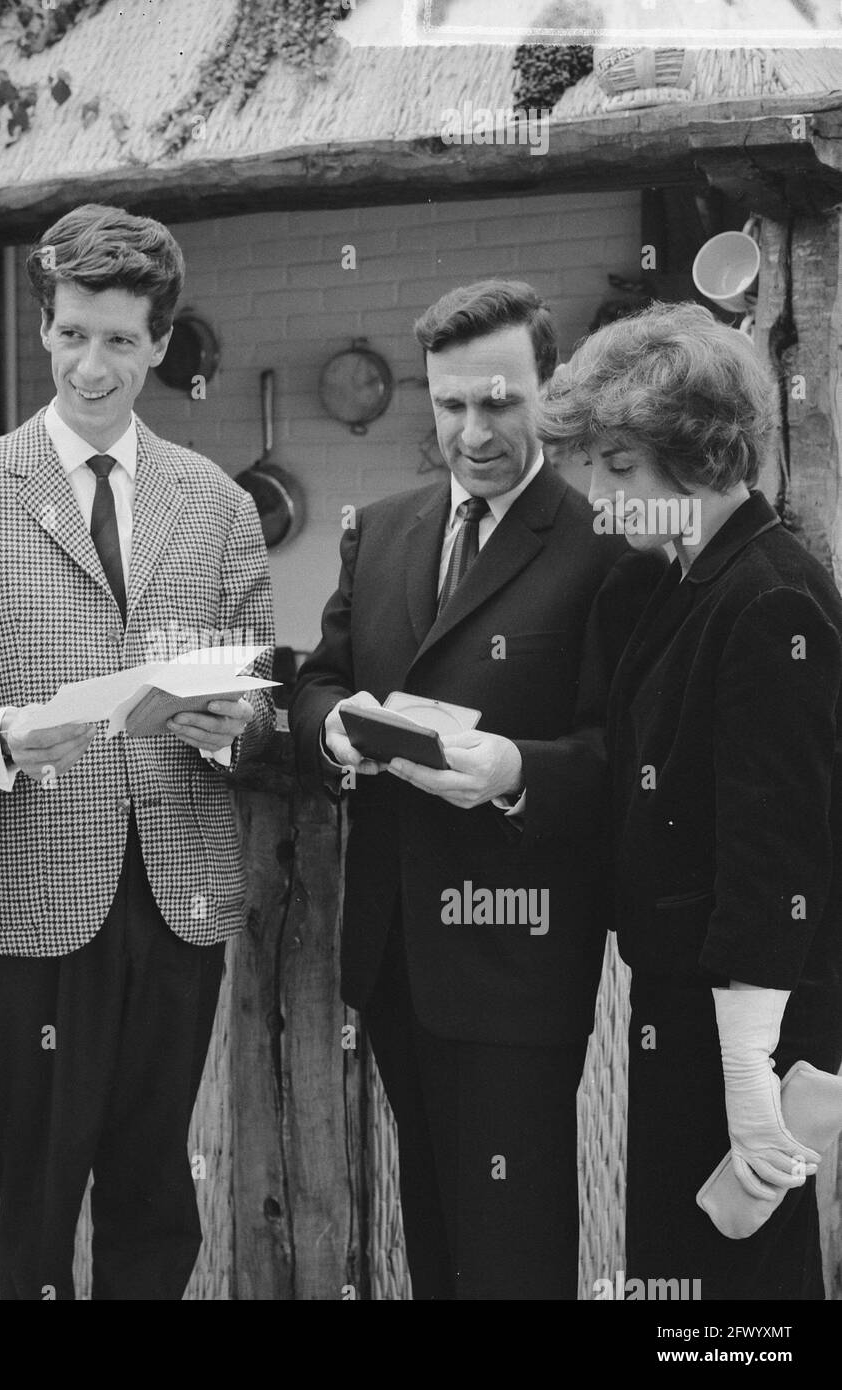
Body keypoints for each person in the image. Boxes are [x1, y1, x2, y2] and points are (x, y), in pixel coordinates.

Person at [0, 203, 275, 1300]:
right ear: (44, 328)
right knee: (39, 1200)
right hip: (31, 898)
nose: (88, 365)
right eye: (68, 335)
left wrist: (233, 728)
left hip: (178, 895)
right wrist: (1, 734)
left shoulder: (221, 506)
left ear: (160, 343)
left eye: (115, 340)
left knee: (156, 1193)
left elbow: (256, 701)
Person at [290, 279, 661, 1299]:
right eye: (450, 404)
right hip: (391, 947)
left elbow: (623, 758)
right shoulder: (382, 530)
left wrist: (512, 774)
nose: (472, 429)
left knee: (512, 1241)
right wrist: (327, 726)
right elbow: (321, 673)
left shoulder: (607, 546)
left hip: (516, 962)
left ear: (548, 391)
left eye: (498, 401)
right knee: (432, 1229)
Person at [538, 300, 842, 1299]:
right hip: (684, 998)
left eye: (616, 468)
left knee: (737, 1285)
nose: (595, 494)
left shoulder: (767, 598)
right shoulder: (677, 582)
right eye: (590, 466)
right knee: (681, 1274)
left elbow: (775, 851)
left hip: (753, 1011)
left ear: (704, 458)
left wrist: (749, 1068)